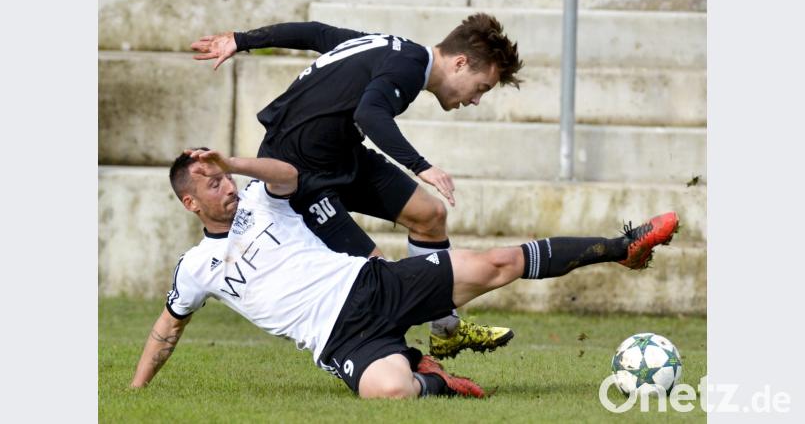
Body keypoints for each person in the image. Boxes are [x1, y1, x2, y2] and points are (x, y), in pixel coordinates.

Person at [130, 148, 679, 398]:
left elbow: (288, 173)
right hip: (338, 338)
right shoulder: (195, 268)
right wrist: (136, 391)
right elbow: (167, 328)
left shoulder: (258, 198)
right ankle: (429, 375)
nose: (223, 187)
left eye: (221, 177)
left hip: (372, 284)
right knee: (390, 392)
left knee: (498, 263)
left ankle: (624, 246)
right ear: (189, 203)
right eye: (210, 183)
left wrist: (234, 162)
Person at [190, 14, 525, 359]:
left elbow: (318, 33)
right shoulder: (407, 68)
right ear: (460, 63)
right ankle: (395, 363)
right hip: (300, 174)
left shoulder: (394, 48)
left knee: (429, 214)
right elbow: (370, 114)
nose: (475, 100)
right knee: (376, 275)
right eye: (481, 88)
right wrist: (420, 166)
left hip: (342, 154)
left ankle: (445, 331)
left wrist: (243, 39)